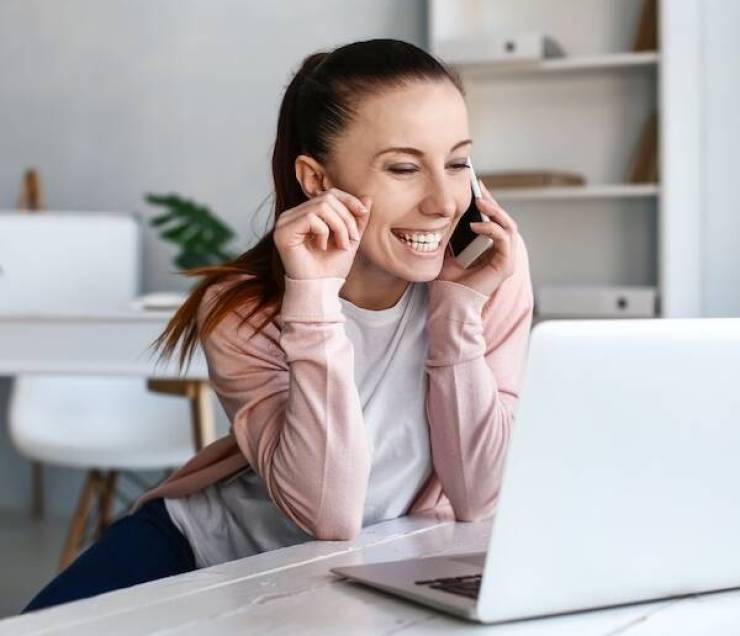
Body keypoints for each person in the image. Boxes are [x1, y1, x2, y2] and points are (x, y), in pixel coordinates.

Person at [22, 37, 533, 613]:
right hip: (208, 549)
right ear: (316, 180)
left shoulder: (488, 278)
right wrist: (313, 301)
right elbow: (328, 513)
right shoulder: (243, 308)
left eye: (459, 162)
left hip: (376, 562)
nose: (444, 202)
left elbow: (479, 494)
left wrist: (457, 316)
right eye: (404, 168)